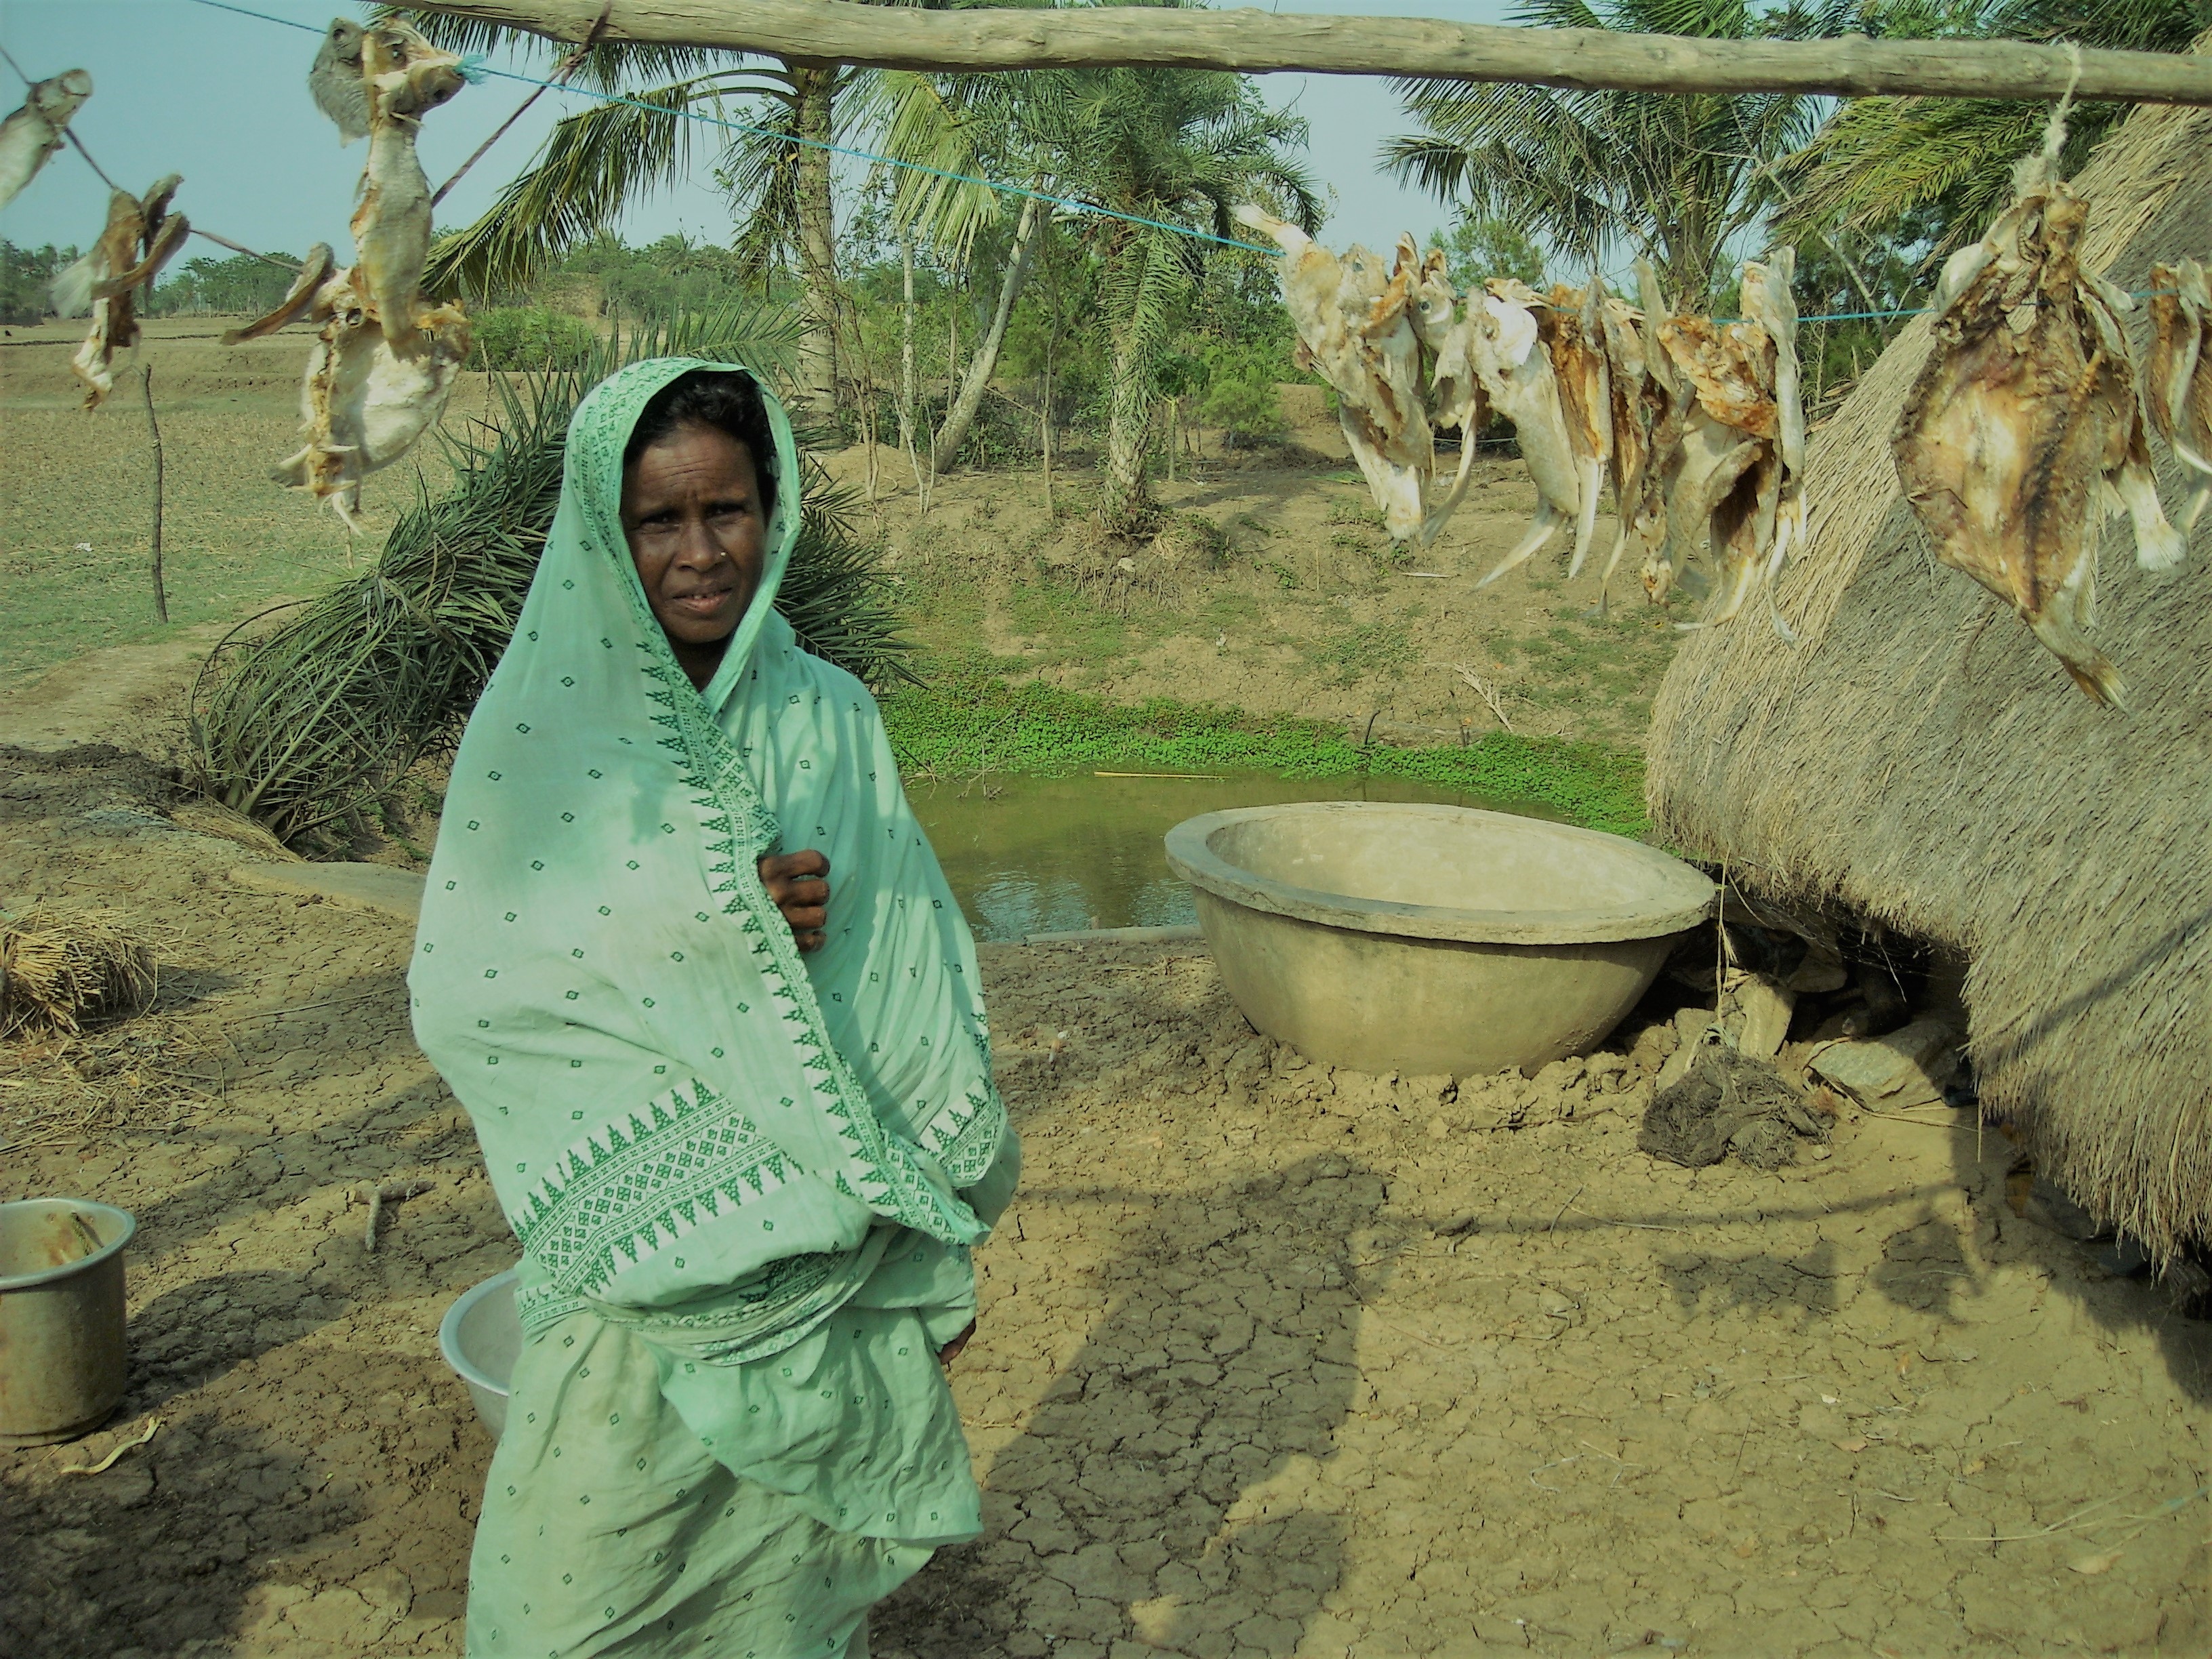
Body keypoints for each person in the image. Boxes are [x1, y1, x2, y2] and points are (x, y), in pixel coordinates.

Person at [409, 358, 1019, 1658]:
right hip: (649, 1276)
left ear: (774, 509)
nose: (701, 553)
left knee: (786, 1605)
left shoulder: (833, 717)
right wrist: (713, 932)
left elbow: (909, 965)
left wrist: (802, 941)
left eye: (727, 511)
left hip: (824, 1256)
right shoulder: (545, 739)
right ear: (601, 532)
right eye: (657, 522)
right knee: (563, 1614)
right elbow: (474, 994)